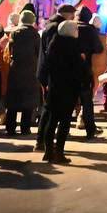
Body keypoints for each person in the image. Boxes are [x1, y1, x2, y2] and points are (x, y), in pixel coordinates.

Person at [39, 19, 85, 164]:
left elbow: (45, 68)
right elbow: (78, 72)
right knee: (64, 122)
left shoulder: (54, 44)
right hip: (69, 90)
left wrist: (46, 83)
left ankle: (48, 152)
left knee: (51, 120)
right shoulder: (74, 47)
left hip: (54, 88)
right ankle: (59, 152)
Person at [32, 4, 77, 153]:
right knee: (49, 111)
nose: (73, 18)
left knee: (49, 109)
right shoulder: (56, 29)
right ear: (66, 14)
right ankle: (43, 143)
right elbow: (52, 55)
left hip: (47, 74)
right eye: (72, 14)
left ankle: (44, 144)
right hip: (53, 77)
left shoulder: (50, 25)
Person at [3, 10, 40, 135]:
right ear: (32, 20)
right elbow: (38, 52)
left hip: (15, 69)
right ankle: (25, 128)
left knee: (13, 101)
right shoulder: (35, 34)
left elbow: (10, 50)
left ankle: (10, 127)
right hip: (31, 70)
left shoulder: (14, 32)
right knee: (28, 101)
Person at [75, 6, 105, 138]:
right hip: (84, 69)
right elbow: (98, 48)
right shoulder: (90, 30)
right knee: (87, 101)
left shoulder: (70, 26)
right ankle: (90, 130)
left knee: (66, 100)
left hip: (66, 68)